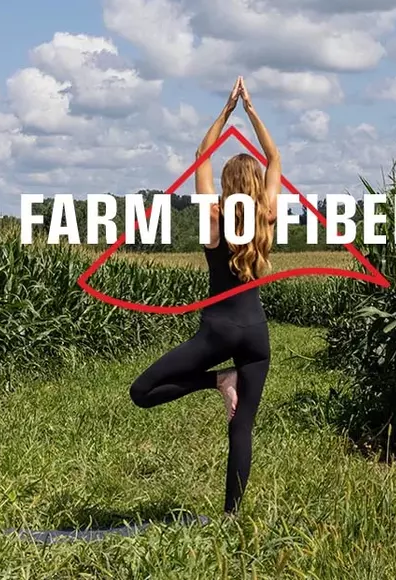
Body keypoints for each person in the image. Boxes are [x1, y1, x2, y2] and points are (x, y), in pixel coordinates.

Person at [128, 77, 281, 515]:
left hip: (217, 332)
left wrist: (226, 111)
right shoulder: (267, 216)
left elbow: (201, 156)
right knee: (242, 428)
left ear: (229, 186)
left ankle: (218, 380)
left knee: (142, 390)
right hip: (255, 334)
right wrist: (251, 110)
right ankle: (231, 518)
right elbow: (274, 157)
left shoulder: (213, 218)